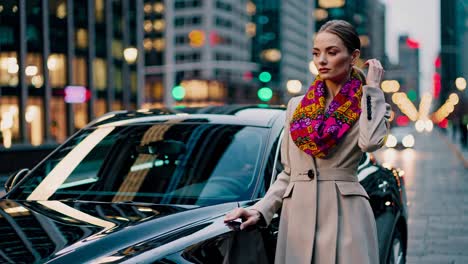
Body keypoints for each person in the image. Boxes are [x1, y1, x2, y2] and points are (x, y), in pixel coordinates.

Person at [224, 19, 390, 264]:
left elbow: (371, 142)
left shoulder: (370, 104)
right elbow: (288, 172)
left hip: (346, 216)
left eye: (332, 52)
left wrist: (373, 89)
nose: (321, 60)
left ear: (353, 56)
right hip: (297, 220)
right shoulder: (297, 106)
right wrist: (261, 210)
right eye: (316, 53)